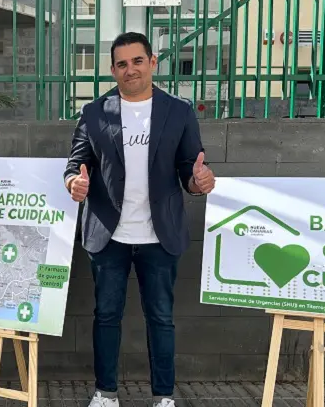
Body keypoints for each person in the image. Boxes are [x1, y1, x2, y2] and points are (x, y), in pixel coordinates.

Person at [63, 32, 216, 407]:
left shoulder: (178, 111)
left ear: (152, 62)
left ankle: (164, 397)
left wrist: (198, 182)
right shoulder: (94, 112)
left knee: (161, 318)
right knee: (106, 316)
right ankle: (105, 393)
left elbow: (189, 168)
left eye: (137, 61)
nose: (129, 69)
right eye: (121, 64)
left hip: (159, 236)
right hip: (108, 235)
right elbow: (75, 163)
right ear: (112, 70)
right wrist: (75, 183)